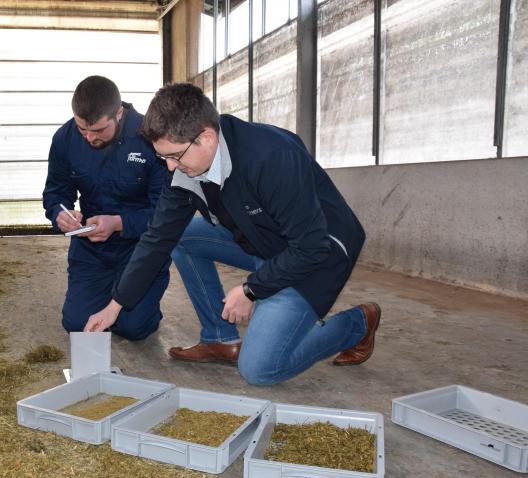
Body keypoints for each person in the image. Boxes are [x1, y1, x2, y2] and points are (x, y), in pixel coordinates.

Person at [84, 82, 381, 385]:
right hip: (264, 240)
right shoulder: (185, 168)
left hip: (319, 251)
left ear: (207, 138)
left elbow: (310, 245)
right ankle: (219, 338)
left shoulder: (270, 157)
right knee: (182, 236)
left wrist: (252, 289)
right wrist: (116, 303)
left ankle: (357, 324)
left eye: (175, 155)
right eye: (163, 158)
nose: (170, 167)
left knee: (260, 369)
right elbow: (158, 236)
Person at [42, 75, 171, 340]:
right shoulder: (65, 138)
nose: (89, 137)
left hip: (140, 248)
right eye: (82, 129)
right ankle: (109, 295)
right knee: (79, 325)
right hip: (91, 249)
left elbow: (165, 213)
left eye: (99, 130)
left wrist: (119, 223)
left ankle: (145, 300)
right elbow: (55, 193)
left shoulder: (151, 138)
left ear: (119, 113)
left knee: (133, 328)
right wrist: (61, 214)